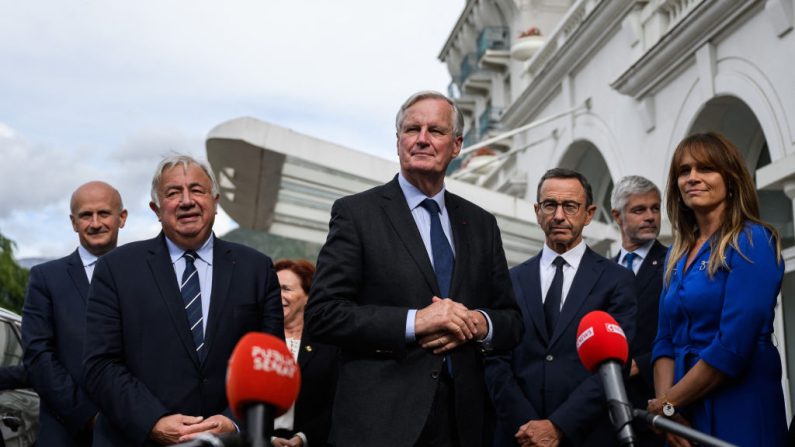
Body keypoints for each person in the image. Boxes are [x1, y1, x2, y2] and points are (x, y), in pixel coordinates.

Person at [305, 90, 523, 447]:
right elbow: (324, 315)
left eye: (435, 131)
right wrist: (415, 321)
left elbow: (512, 322)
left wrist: (478, 323)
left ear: (456, 145)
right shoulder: (356, 214)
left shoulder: (482, 224)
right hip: (381, 424)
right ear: (398, 142)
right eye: (411, 129)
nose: (422, 139)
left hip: (464, 424)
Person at [83, 155, 283, 446]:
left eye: (197, 190)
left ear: (215, 201)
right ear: (156, 209)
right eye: (173, 193)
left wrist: (235, 422)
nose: (187, 201)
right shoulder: (116, 269)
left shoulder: (257, 268)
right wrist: (152, 420)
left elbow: (272, 363)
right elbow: (101, 365)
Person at [648, 132, 787, 446]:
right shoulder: (675, 254)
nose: (693, 178)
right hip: (684, 409)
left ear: (731, 179)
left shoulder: (753, 241)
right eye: (684, 171)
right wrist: (667, 410)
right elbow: (664, 341)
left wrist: (667, 404)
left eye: (706, 169)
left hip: (740, 403)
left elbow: (733, 345)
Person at [485, 168, 637, 446]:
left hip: (586, 435)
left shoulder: (617, 280)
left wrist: (558, 426)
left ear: (589, 213)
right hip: (519, 437)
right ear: (536, 210)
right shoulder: (509, 280)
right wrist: (527, 426)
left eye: (570, 206)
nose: (558, 215)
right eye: (550, 205)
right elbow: (495, 361)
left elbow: (616, 365)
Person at [22, 181, 127, 446]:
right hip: (65, 433)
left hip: (133, 431)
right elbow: (39, 356)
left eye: (103, 213)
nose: (95, 223)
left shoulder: (145, 275)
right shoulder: (46, 278)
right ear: (73, 222)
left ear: (122, 218)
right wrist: (89, 416)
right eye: (85, 215)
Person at [610, 175, 666, 447]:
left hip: (658, 404)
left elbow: (684, 332)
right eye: (639, 210)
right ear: (616, 216)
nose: (650, 217)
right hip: (610, 407)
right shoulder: (603, 272)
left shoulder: (674, 263)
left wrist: (641, 364)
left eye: (655, 208)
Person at [272, 259, 337, 447]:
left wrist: (303, 438)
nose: (278, 295)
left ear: (308, 296)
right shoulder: (256, 337)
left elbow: (335, 402)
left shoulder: (328, 344)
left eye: (286, 289)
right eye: (273, 288)